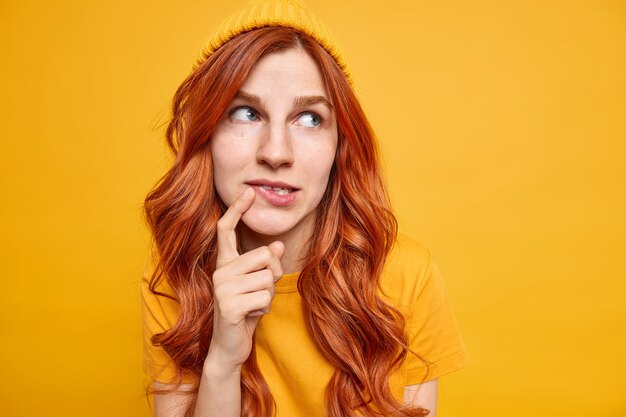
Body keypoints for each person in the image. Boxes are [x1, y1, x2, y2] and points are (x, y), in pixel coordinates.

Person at [140, 1, 468, 416]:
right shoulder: (175, 278)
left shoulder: (406, 276)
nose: (276, 153)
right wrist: (223, 362)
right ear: (206, 134)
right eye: (247, 113)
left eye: (310, 118)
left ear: (340, 145)